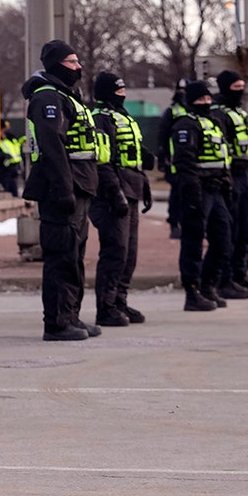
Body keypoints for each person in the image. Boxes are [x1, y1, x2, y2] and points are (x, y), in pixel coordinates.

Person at [20, 40, 101, 340]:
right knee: (61, 257)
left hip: (80, 185)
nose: (78, 67)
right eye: (71, 62)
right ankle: (56, 323)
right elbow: (52, 146)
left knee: (74, 256)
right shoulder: (48, 99)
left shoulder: (68, 97)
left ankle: (71, 316)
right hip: (61, 189)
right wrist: (64, 189)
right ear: (55, 65)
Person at [88, 73, 150, 326]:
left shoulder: (123, 116)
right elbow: (103, 160)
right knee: (115, 251)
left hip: (131, 189)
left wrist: (143, 184)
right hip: (112, 194)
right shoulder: (100, 118)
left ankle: (120, 300)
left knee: (129, 252)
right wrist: (115, 193)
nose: (122, 94)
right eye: (118, 90)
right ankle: (106, 307)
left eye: (124, 90)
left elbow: (131, 158)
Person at [169, 80, 232, 312]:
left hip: (217, 190)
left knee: (224, 240)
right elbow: (185, 163)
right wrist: (192, 193)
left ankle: (209, 285)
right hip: (198, 191)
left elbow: (223, 159)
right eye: (201, 99)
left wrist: (228, 187)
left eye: (208, 98)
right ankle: (192, 291)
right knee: (193, 241)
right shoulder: (185, 125)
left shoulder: (214, 123)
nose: (206, 102)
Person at [210, 70, 248, 299]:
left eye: (242, 87)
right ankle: (225, 279)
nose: (240, 92)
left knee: (246, 229)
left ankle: (240, 275)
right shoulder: (219, 114)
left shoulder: (242, 113)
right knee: (230, 230)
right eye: (235, 87)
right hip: (232, 175)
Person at [156, 79, 188, 239]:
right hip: (174, 162)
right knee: (176, 196)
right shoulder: (172, 112)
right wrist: (163, 159)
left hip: (192, 163)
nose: (182, 93)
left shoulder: (194, 109)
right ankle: (174, 224)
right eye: (180, 89)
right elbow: (162, 137)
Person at [0, 120, 23, 197]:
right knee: (6, 189)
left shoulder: (11, 139)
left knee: (13, 189)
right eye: (3, 130)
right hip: (2, 169)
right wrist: (4, 155)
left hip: (13, 168)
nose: (5, 132)